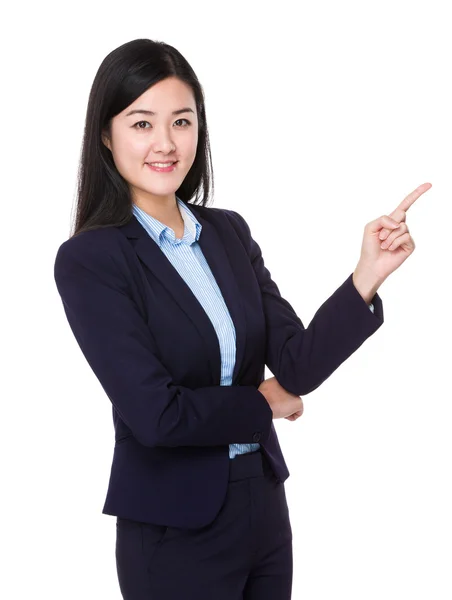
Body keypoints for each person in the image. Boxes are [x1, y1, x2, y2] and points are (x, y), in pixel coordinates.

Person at [53, 38, 431, 600]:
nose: (165, 143)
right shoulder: (92, 259)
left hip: (262, 505)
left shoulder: (228, 233)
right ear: (106, 136)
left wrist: (366, 276)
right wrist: (265, 403)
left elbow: (297, 362)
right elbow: (157, 415)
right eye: (141, 123)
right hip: (174, 526)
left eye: (181, 121)